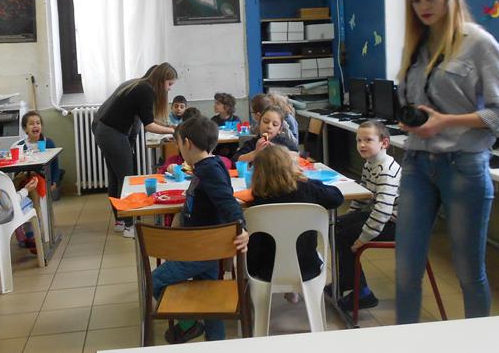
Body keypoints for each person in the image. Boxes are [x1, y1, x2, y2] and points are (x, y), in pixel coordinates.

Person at [395, 0, 499, 324]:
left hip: (463, 164)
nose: (424, 8)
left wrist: (446, 121)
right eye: (416, 1)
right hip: (416, 163)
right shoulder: (417, 43)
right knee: (405, 272)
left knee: (468, 273)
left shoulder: (479, 43)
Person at [151, 116, 249, 344]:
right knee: (209, 297)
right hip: (204, 246)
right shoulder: (207, 166)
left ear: (186, 143)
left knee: (154, 282)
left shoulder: (209, 170)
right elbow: (205, 200)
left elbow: (226, 201)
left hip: (202, 249)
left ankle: (190, 324)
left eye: (178, 144)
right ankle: (216, 340)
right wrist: (182, 215)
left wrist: (241, 227)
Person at [247, 145, 343, 304]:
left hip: (267, 270)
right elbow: (336, 198)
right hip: (307, 266)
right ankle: (294, 289)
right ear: (291, 166)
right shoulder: (307, 189)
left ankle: (284, 291)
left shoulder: (258, 198)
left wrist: (252, 269)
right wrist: (309, 180)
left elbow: (256, 244)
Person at [93, 63, 177, 238]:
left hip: (105, 131)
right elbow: (149, 125)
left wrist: (167, 126)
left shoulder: (138, 84)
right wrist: (173, 130)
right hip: (112, 133)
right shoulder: (146, 91)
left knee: (117, 178)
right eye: (169, 84)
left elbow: (144, 119)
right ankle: (130, 226)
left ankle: (120, 221)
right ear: (161, 80)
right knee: (127, 178)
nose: (169, 89)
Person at [333, 121, 401, 311]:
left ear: (384, 143)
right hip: (383, 217)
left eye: (368, 140)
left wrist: (362, 239)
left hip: (396, 224)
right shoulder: (370, 164)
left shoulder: (386, 169)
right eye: (359, 140)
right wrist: (348, 218)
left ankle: (361, 292)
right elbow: (363, 198)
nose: (361, 145)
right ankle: (347, 281)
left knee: (344, 236)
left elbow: (383, 210)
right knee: (336, 226)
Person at [14, 111, 62, 199]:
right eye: (31, 124)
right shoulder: (20, 145)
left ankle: (38, 210)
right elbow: (17, 168)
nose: (35, 125)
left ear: (41, 126)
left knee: (36, 183)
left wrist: (55, 181)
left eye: (38, 123)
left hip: (44, 178)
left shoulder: (48, 143)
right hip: (25, 179)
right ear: (25, 129)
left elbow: (55, 165)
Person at [233, 106, 298, 164]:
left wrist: (277, 151)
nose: (269, 126)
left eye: (275, 124)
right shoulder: (252, 144)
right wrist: (256, 153)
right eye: (266, 122)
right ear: (259, 123)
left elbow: (297, 156)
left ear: (280, 130)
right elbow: (235, 160)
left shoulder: (285, 142)